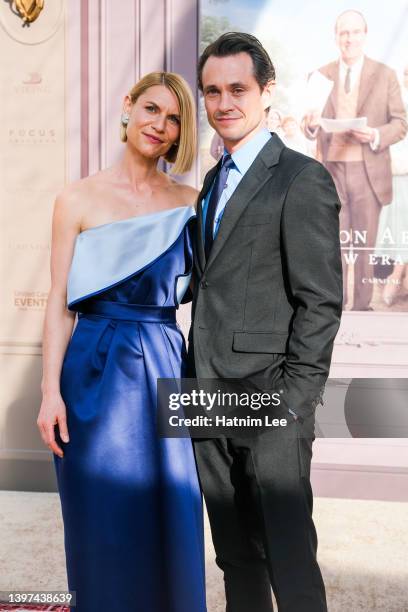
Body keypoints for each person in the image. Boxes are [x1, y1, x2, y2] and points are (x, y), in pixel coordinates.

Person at [37, 71, 206, 612]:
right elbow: (60, 303)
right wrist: (49, 393)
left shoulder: (192, 201)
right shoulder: (77, 198)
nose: (161, 125)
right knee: (101, 522)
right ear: (128, 107)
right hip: (91, 372)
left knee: (172, 510)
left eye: (175, 119)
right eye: (153, 109)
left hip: (164, 365)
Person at [188, 32, 343, 612]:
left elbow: (321, 301)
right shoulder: (211, 183)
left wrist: (293, 403)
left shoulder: (301, 178)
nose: (223, 103)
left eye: (237, 89)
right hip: (204, 395)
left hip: (269, 398)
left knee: (288, 555)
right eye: (211, 91)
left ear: (267, 92)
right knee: (234, 556)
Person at [302, 9, 407, 310]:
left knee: (363, 246)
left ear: (365, 36)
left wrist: (374, 134)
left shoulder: (385, 75)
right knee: (332, 245)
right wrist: (310, 124)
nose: (349, 38)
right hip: (330, 171)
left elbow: (400, 123)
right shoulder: (320, 75)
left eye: (355, 32)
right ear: (336, 37)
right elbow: (308, 125)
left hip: (368, 171)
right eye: (343, 33)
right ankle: (332, 310)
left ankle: (361, 308)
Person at [375, 64, 408, 306]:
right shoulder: (392, 104)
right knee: (392, 228)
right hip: (390, 175)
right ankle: (394, 276)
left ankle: (397, 276)